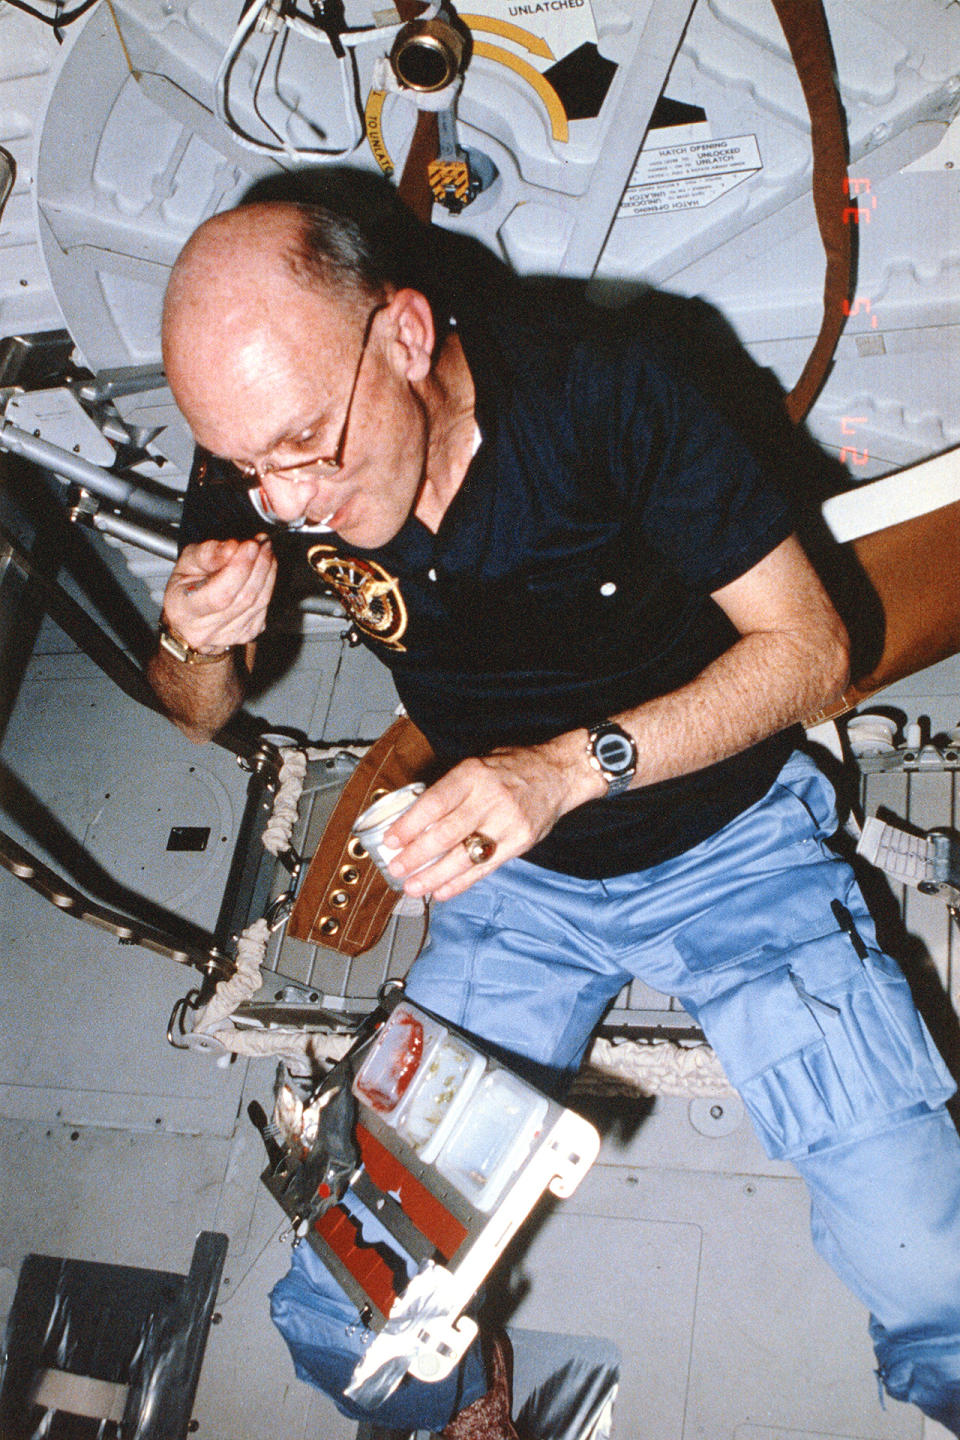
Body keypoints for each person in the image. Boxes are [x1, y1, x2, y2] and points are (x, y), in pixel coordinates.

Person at [149, 192, 960, 1438]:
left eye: (309, 446)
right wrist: (190, 636)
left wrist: (559, 773)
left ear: (405, 337)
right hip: (517, 890)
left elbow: (811, 653)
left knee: (931, 1270)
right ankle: (467, 1397)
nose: (290, 500)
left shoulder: (614, 384)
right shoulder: (265, 451)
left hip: (729, 845)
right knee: (341, 1314)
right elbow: (194, 709)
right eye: (252, 468)